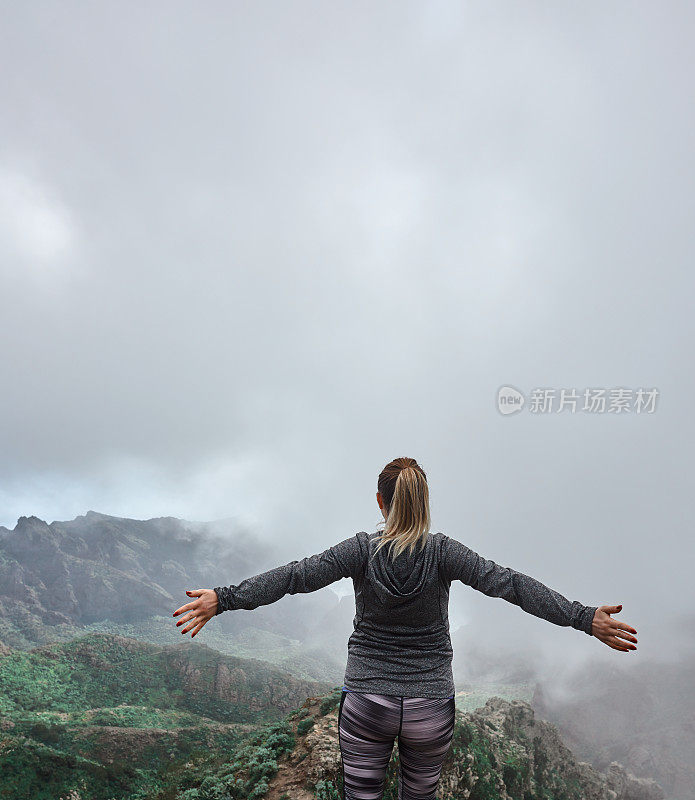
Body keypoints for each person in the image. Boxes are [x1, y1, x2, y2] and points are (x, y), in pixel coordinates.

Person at [173, 456, 638, 800]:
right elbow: (511, 585)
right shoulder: (445, 552)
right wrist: (582, 617)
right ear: (424, 501)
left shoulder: (359, 550)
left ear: (380, 502)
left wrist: (224, 598)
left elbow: (295, 577)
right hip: (429, 706)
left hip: (367, 701)